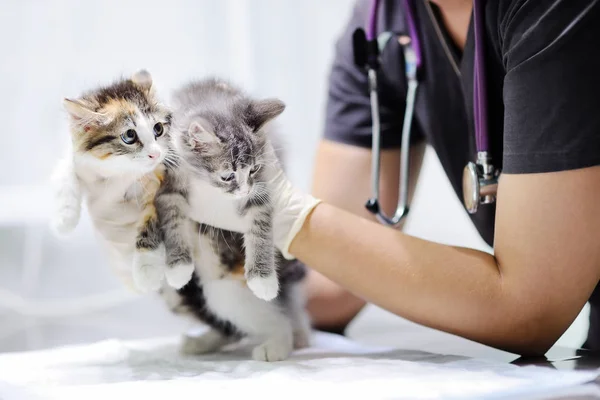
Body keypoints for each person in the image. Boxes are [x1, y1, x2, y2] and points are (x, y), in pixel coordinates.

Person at [192, 0, 600, 356]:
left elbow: (530, 309)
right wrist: (202, 266)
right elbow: (332, 287)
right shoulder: (376, 25)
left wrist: (286, 217)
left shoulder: (558, 9)